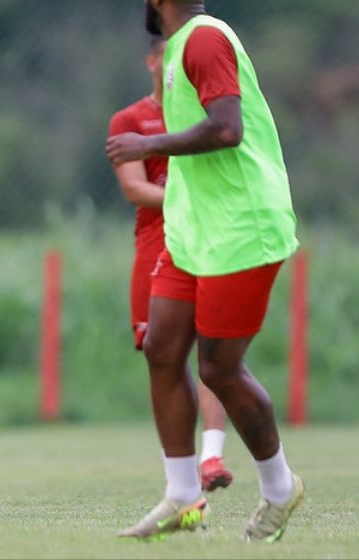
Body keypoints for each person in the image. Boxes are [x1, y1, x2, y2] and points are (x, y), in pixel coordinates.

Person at [106, 0, 304, 542]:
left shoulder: (204, 39)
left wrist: (150, 146)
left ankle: (279, 487)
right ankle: (183, 497)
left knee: (219, 367)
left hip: (242, 227)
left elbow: (227, 128)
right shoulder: (178, 48)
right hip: (195, 228)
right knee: (164, 348)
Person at [108, 33, 233, 494]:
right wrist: (188, 198)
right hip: (156, 242)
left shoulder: (208, 117)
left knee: (213, 352)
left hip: (206, 240)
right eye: (167, 58)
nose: (174, 67)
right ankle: (179, 473)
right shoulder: (130, 119)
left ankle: (212, 457)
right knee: (164, 354)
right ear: (153, 62)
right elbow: (135, 188)